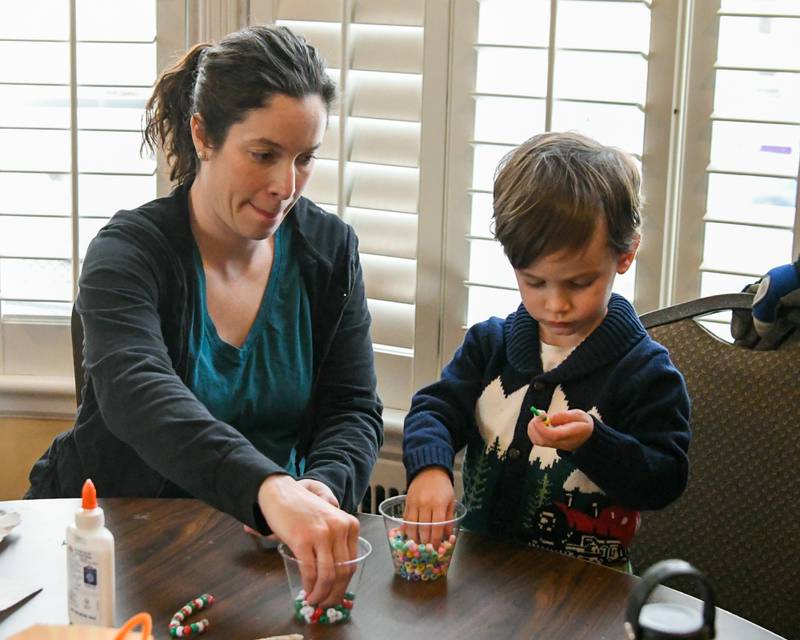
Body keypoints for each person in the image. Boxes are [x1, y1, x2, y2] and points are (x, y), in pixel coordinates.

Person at [26, 25, 382, 605]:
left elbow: (353, 407)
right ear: (203, 136)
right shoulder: (128, 253)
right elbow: (138, 394)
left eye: (305, 158)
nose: (285, 186)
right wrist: (267, 489)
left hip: (256, 560)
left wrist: (318, 490)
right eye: (264, 155)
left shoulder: (329, 250)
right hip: (111, 554)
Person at [402, 132, 690, 568]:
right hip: (484, 583)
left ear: (625, 255)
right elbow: (433, 411)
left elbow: (664, 479)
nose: (555, 304)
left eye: (579, 283)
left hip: (590, 597)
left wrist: (594, 442)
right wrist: (430, 470)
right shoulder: (489, 346)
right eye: (534, 282)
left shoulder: (644, 371)